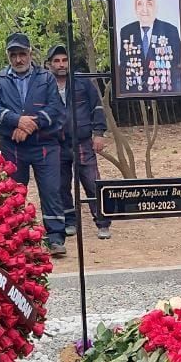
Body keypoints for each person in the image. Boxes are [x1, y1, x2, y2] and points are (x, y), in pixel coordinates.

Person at [0, 33, 68, 255]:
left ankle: (55, 238)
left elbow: (56, 109)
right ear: (8, 56)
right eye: (13, 55)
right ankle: (16, 239)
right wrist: (16, 121)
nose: (18, 59)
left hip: (45, 146)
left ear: (30, 53)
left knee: (51, 191)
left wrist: (30, 125)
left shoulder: (46, 78)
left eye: (22, 54)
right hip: (13, 146)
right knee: (13, 193)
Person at [47, 44, 112, 241]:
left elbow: (98, 107)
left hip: (83, 142)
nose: (61, 65)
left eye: (64, 60)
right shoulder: (44, 84)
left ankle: (103, 223)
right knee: (61, 185)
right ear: (49, 64)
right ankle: (69, 222)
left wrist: (99, 133)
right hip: (56, 143)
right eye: (57, 61)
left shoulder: (82, 83)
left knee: (92, 183)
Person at [116, 0, 181, 94]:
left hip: (163, 91)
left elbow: (177, 64)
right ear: (135, 8)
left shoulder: (170, 30)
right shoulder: (126, 31)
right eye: (139, 4)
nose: (144, 9)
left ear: (156, 8)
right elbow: (124, 66)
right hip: (135, 94)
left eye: (149, 4)